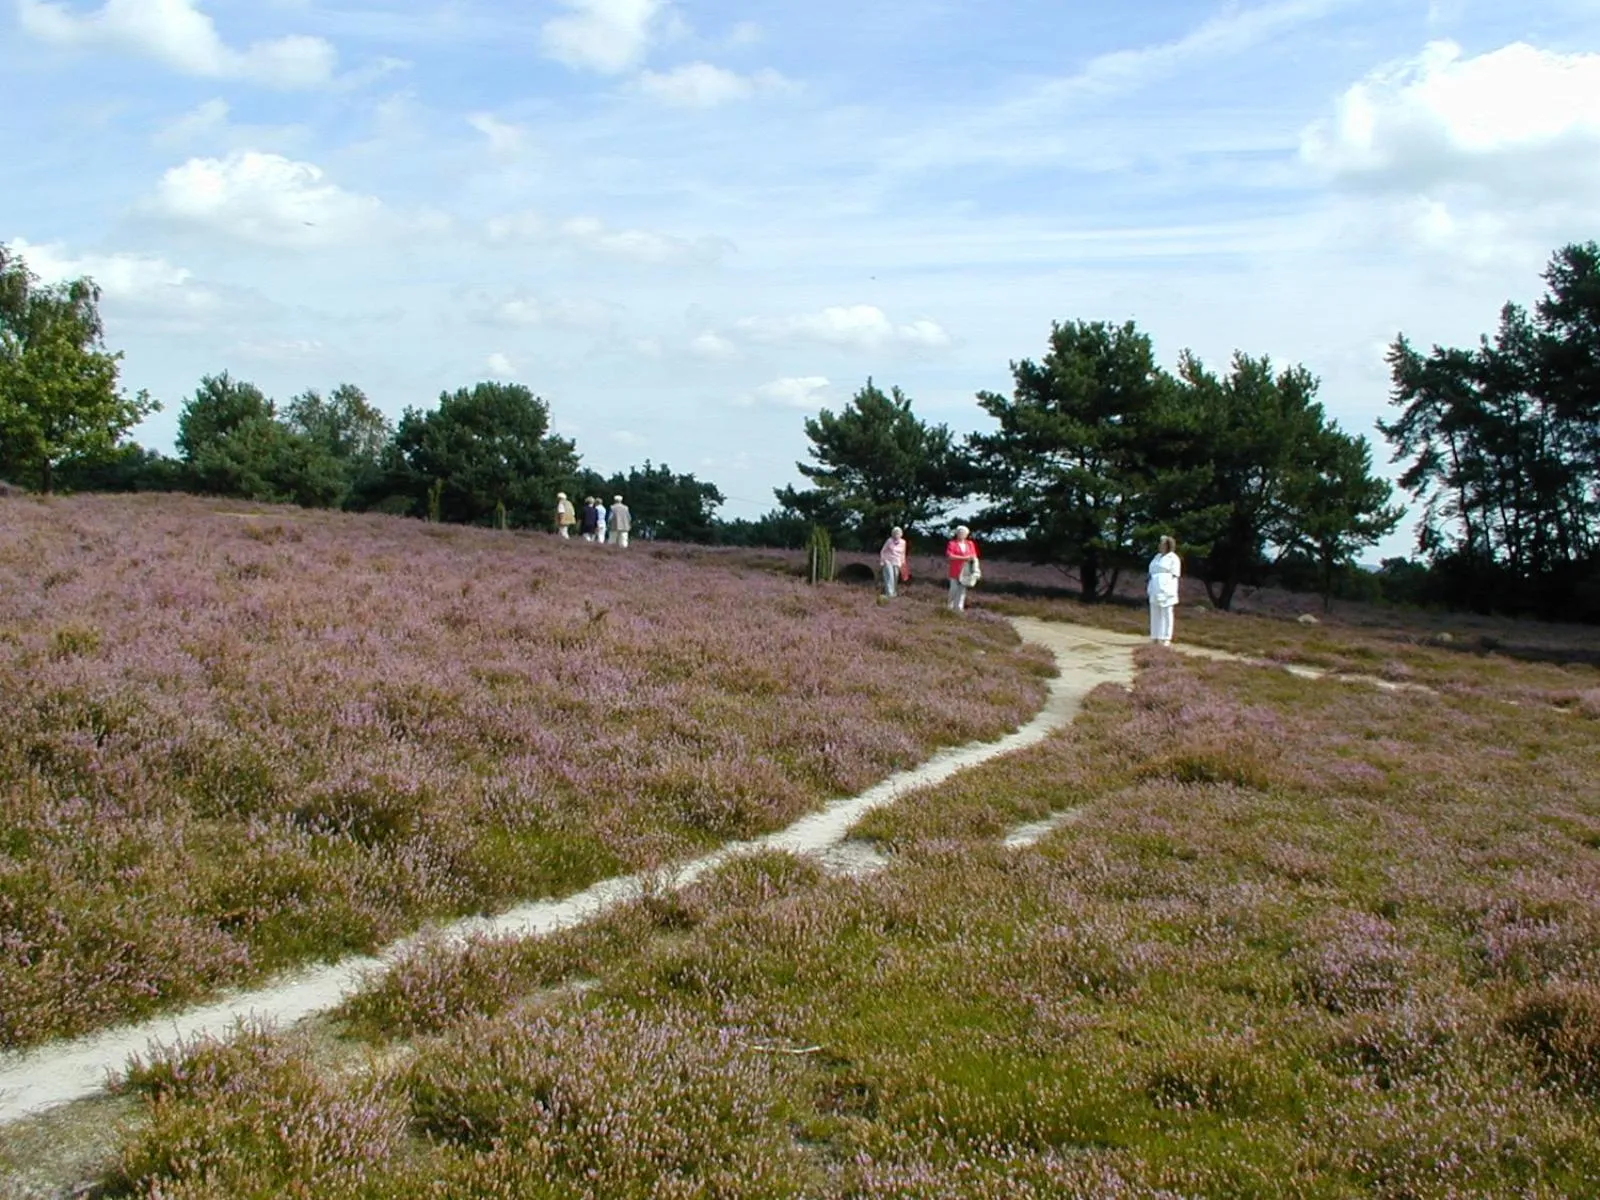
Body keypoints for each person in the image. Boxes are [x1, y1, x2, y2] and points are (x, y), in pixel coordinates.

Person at [1147, 535, 1182, 645]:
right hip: (1154, 586)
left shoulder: (1173, 558)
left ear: (1167, 545)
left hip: (1167, 588)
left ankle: (1166, 637)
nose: (1159, 545)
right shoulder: (1156, 557)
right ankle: (1155, 636)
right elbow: (1151, 571)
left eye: (1162, 544)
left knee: (1167, 613)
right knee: (1155, 612)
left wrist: (1168, 587)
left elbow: (1175, 575)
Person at [945, 525, 980, 611]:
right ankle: (949, 607)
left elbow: (974, 555)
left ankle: (959, 608)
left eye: (963, 533)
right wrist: (964, 558)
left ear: (966, 534)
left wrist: (975, 568)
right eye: (960, 532)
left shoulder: (970, 544)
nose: (961, 534)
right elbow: (950, 556)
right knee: (953, 589)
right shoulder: (952, 543)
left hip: (966, 571)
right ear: (957, 533)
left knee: (962, 591)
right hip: (955, 570)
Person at [878, 527, 907, 597]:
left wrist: (903, 563)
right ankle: (889, 594)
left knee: (895, 578)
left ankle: (893, 593)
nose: (896, 535)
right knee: (889, 577)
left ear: (901, 534)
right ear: (892, 534)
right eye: (895, 533)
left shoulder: (903, 542)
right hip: (888, 561)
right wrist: (882, 561)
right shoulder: (889, 541)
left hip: (897, 561)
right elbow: (883, 551)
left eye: (898, 533)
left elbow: (903, 553)